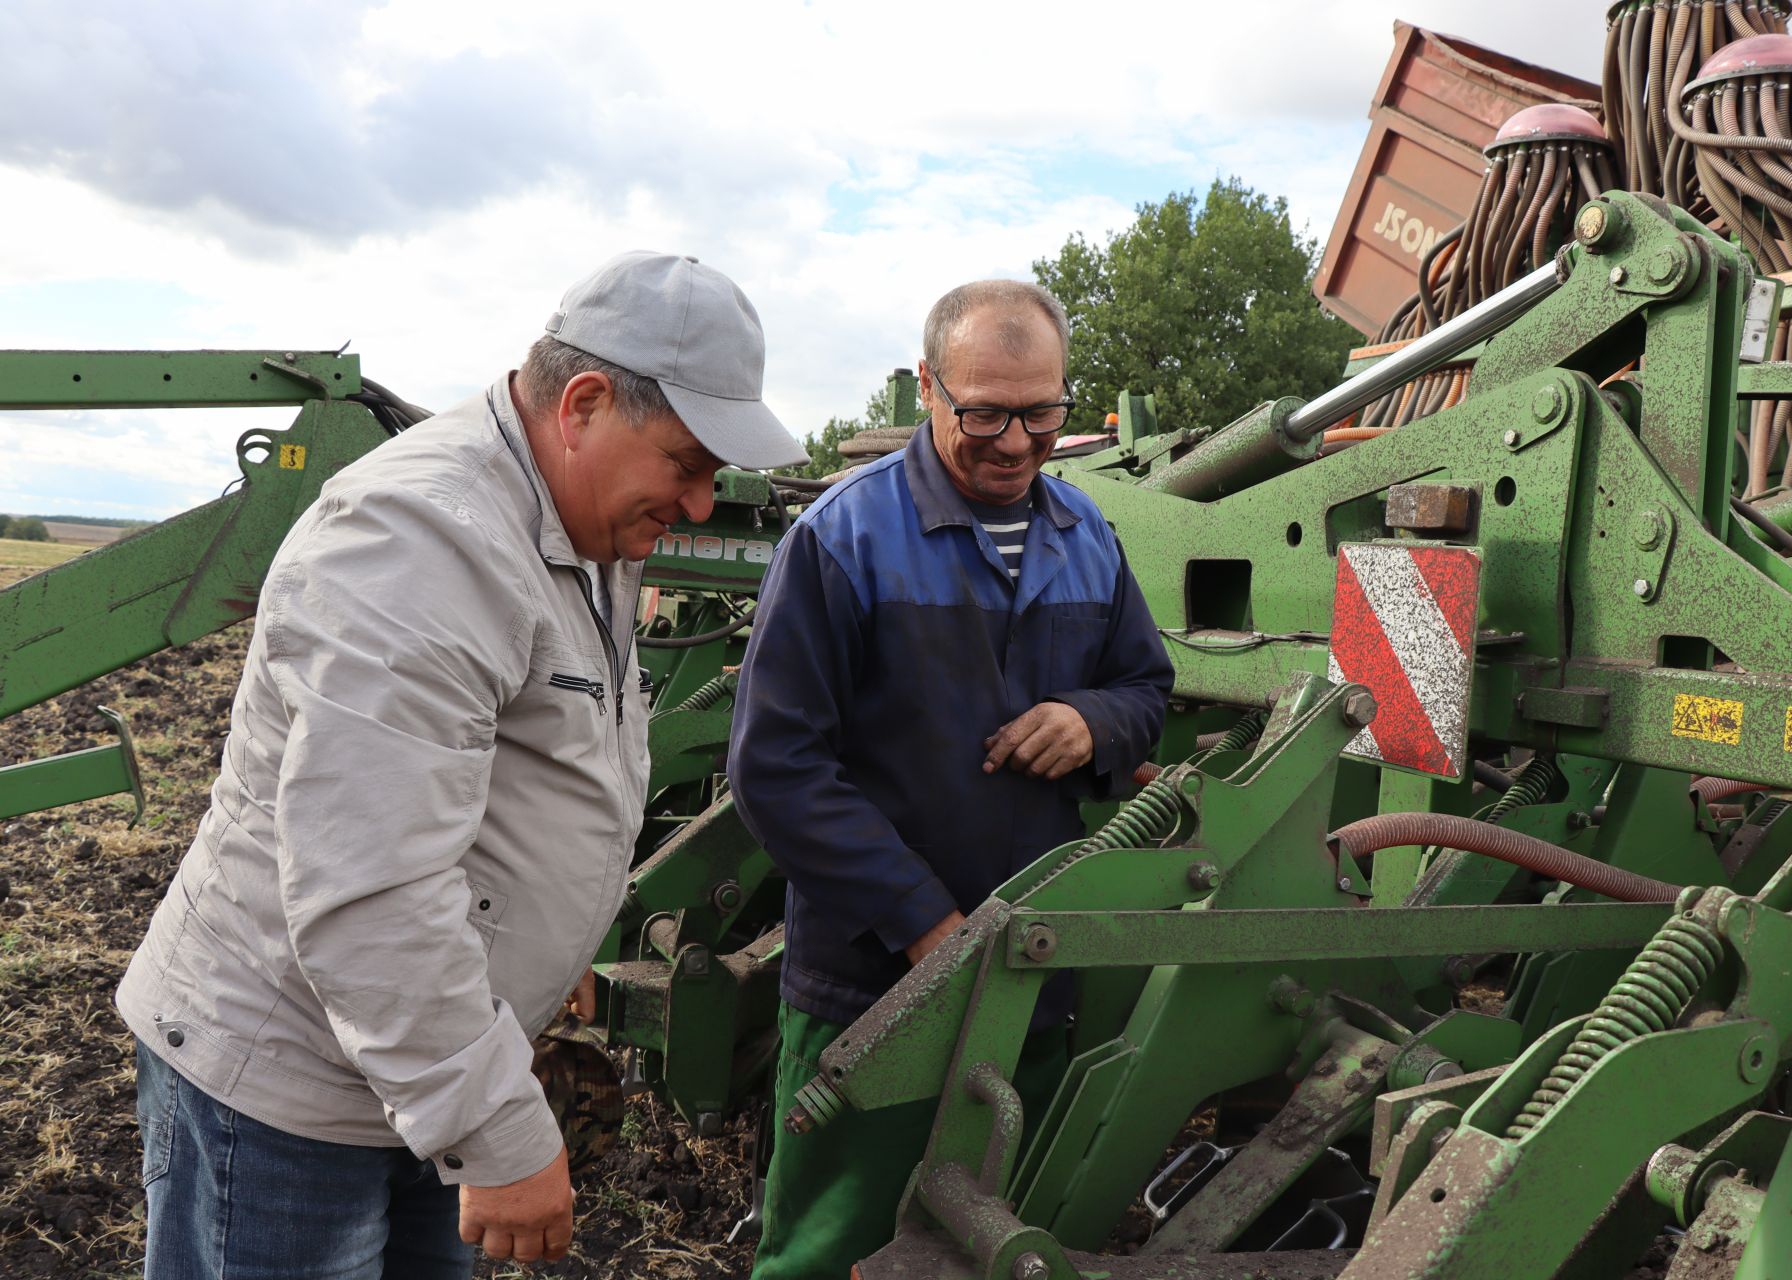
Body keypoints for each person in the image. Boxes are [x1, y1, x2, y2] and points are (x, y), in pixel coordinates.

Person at [115, 251, 805, 1278]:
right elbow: (369, 891)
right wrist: (496, 1127)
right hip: (292, 1098)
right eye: (688, 463)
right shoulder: (421, 543)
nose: (702, 504)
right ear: (583, 404)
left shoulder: (574, 528)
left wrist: (545, 944)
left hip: (411, 1065)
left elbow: (532, 769)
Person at [729, 279, 1174, 1279]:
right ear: (928, 387)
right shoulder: (839, 541)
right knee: (832, 1252)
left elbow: (1146, 685)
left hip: (1039, 982)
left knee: (1010, 1245)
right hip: (874, 994)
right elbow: (774, 768)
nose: (1015, 441)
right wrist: (926, 922)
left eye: (1042, 412)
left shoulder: (1087, 538)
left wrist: (1090, 720)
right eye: (983, 411)